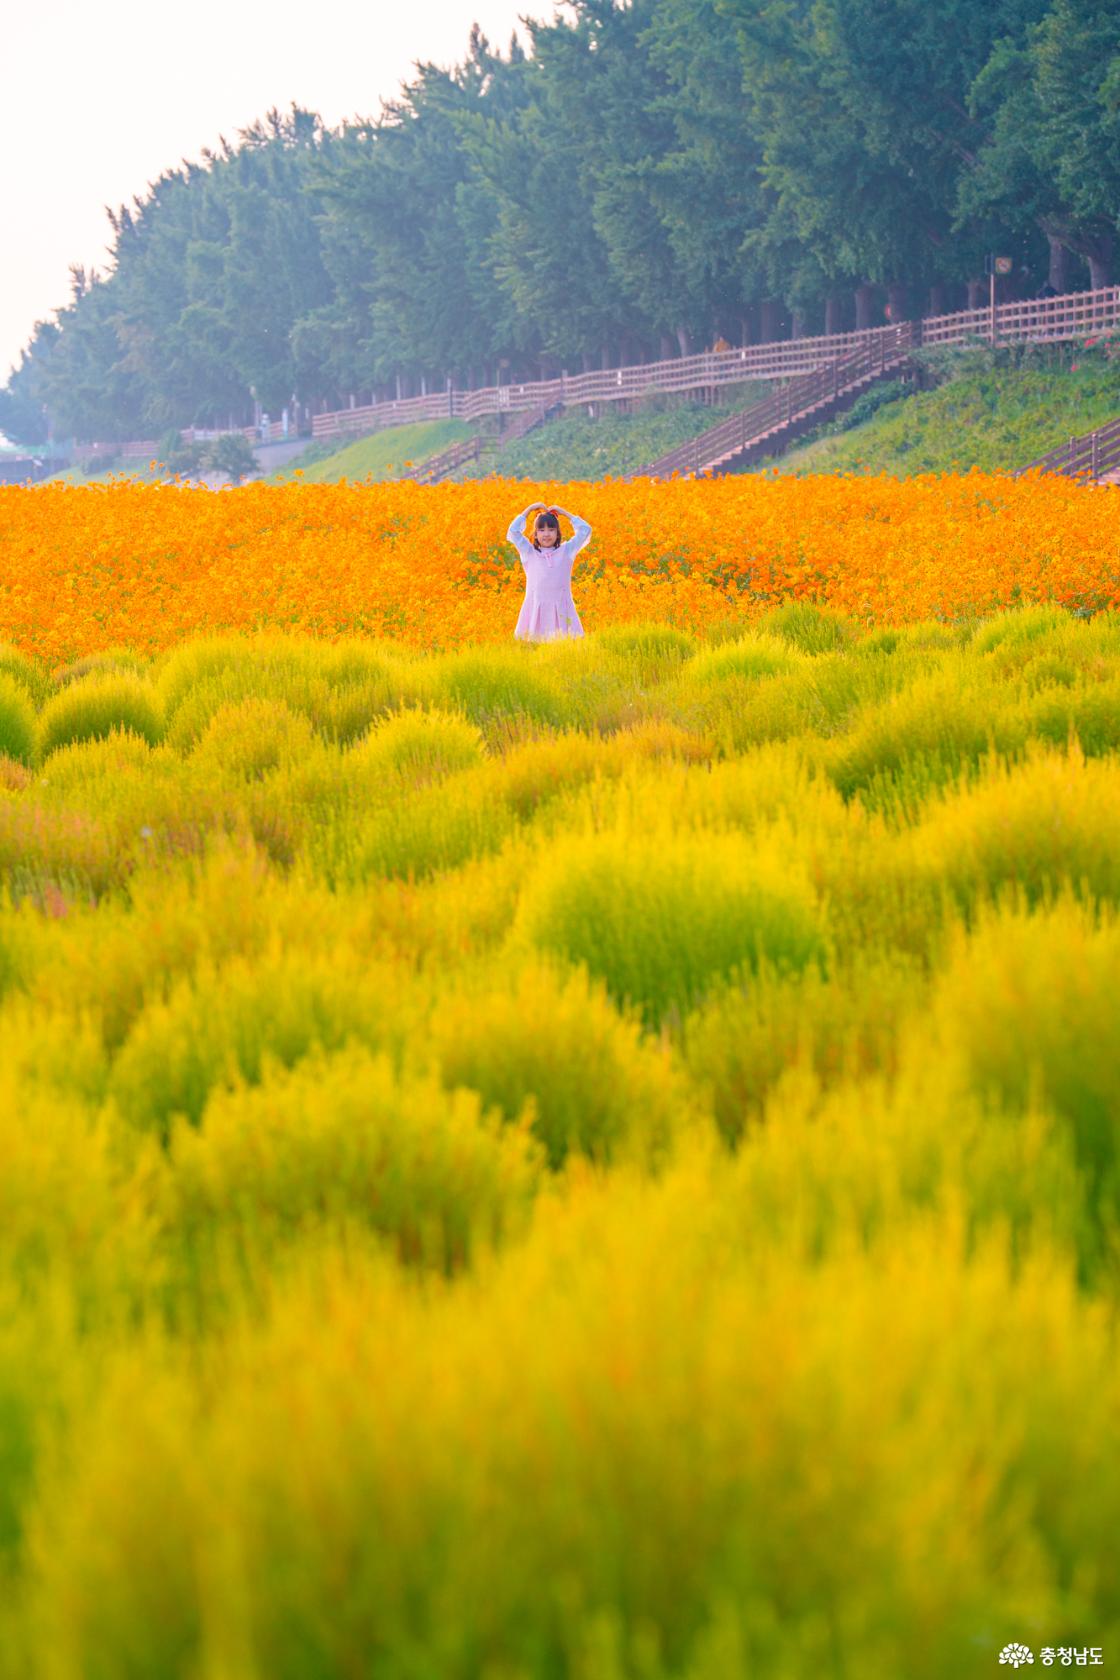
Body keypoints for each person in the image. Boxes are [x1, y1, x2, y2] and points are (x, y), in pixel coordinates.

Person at [507, 501, 591, 641]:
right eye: (541, 530)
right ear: (535, 534)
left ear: (558, 533)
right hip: (536, 607)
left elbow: (585, 530)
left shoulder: (566, 551)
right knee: (533, 646)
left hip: (561, 608)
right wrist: (530, 509)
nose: (546, 534)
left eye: (551, 529)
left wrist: (564, 513)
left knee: (564, 647)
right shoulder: (529, 552)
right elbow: (513, 531)